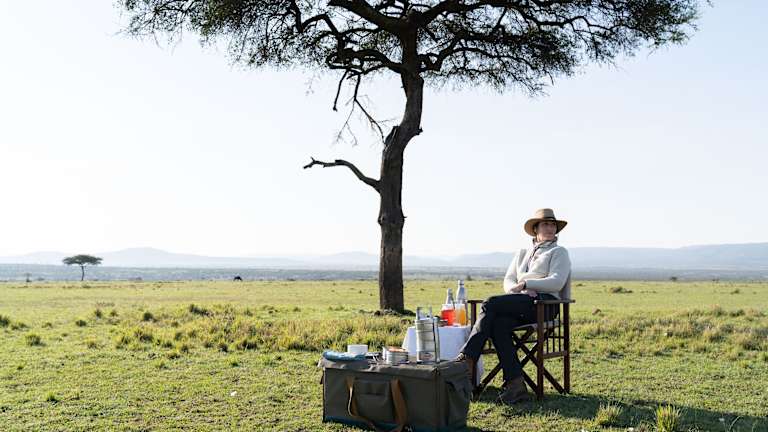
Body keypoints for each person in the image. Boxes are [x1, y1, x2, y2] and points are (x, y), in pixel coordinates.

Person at [455, 208, 572, 404]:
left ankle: (467, 358)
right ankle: (516, 384)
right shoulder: (522, 253)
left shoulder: (559, 252)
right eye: (545, 224)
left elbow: (557, 282)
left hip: (545, 304)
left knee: (490, 303)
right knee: (498, 325)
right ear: (535, 229)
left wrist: (526, 284)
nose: (550, 228)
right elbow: (509, 279)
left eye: (553, 225)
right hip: (521, 302)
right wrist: (516, 289)